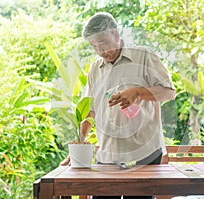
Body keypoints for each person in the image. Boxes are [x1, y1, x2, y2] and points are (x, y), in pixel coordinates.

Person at [61, 12, 176, 199]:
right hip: (107, 153)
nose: (100, 50)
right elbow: (89, 110)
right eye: (93, 46)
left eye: (103, 42)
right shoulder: (95, 69)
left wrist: (138, 92)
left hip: (143, 152)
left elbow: (169, 92)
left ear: (115, 34)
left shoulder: (144, 57)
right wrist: (79, 144)